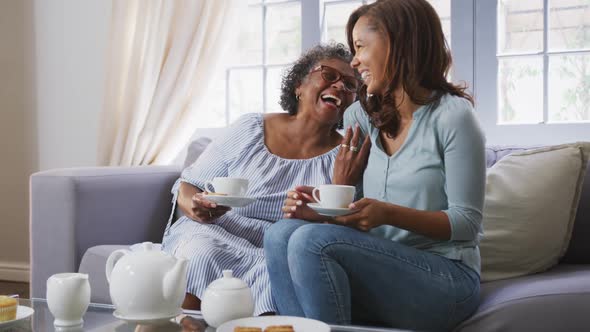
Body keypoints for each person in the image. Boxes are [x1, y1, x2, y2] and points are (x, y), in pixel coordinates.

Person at [264, 0, 486, 330]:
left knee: (310, 241)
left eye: (360, 46)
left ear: (397, 43)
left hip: (446, 275)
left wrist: (387, 212)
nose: (354, 61)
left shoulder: (453, 116)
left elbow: (466, 223)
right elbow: (354, 216)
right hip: (380, 263)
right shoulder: (361, 117)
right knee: (281, 234)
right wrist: (325, 207)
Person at [161, 43, 359, 316]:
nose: (340, 87)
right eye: (329, 75)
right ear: (299, 86)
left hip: (279, 249)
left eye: (350, 85)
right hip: (217, 230)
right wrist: (194, 204)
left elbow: (341, 228)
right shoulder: (251, 128)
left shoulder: (347, 154)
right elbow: (187, 184)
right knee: (200, 252)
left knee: (275, 276)